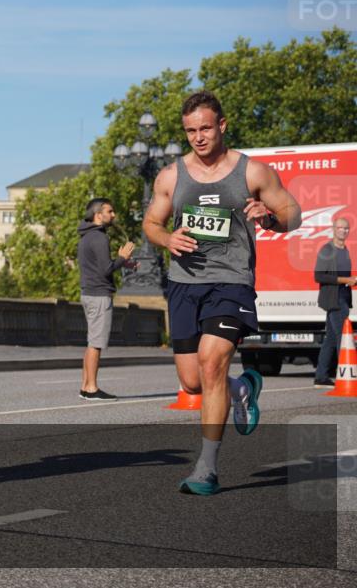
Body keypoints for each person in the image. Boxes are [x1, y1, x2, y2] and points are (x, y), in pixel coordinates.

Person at [143, 90, 301, 496]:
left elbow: (292, 214)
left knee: (212, 362)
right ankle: (241, 388)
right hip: (183, 284)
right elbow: (151, 223)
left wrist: (270, 218)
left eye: (205, 128)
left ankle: (206, 469)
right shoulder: (170, 176)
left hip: (231, 281)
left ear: (222, 125)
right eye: (191, 130)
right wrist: (166, 238)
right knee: (193, 381)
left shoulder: (252, 172)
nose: (198, 137)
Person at [77, 198, 136, 400]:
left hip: (88, 293)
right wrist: (123, 258)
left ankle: (85, 386)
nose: (113, 215)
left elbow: (99, 265)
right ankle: (92, 388)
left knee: (91, 341)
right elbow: (105, 270)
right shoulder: (100, 238)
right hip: (99, 295)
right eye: (110, 211)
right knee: (96, 343)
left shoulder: (87, 236)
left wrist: (121, 264)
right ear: (98, 214)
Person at [314, 217, 355, 387]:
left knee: (330, 339)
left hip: (344, 295)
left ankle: (321, 377)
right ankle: (345, 376)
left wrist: (351, 280)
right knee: (343, 337)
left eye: (346, 229)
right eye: (340, 228)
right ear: (333, 229)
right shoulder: (327, 249)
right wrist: (344, 279)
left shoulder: (345, 250)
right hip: (334, 298)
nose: (343, 231)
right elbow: (319, 276)